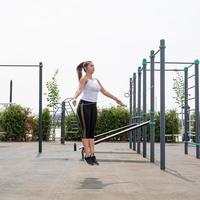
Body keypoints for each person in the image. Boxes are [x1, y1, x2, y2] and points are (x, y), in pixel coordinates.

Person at [72, 61, 124, 165]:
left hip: (93, 106)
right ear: (86, 68)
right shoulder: (84, 79)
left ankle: (93, 155)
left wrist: (116, 99)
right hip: (84, 106)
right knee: (86, 131)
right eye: (91, 66)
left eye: (93, 66)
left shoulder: (96, 80)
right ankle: (87, 155)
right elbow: (79, 90)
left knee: (91, 131)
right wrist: (74, 98)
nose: (93, 67)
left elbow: (104, 91)